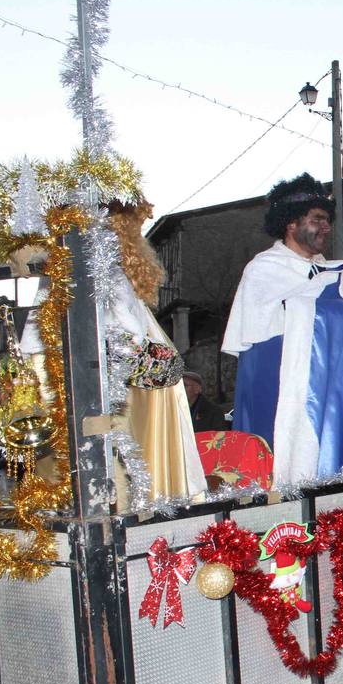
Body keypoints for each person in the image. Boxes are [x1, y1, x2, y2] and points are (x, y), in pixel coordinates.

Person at [25, 199, 207, 504]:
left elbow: (36, 339)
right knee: (107, 470)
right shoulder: (88, 269)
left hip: (101, 384)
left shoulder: (89, 271)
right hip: (102, 389)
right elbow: (126, 335)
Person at [223, 174, 343, 484]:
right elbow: (263, 340)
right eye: (317, 220)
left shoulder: (337, 274)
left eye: (327, 220)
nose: (326, 227)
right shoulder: (264, 269)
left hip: (333, 393)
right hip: (278, 390)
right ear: (291, 224)